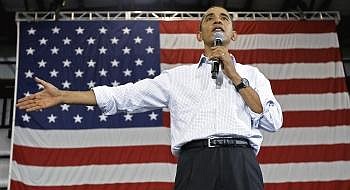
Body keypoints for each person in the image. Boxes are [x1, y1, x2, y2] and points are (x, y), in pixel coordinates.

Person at [17, 6, 283, 190]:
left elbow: (272, 120)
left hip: (241, 161)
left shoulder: (252, 75)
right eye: (209, 17)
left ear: (233, 35)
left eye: (224, 17)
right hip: (195, 163)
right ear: (199, 34)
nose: (217, 20)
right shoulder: (177, 78)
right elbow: (124, 95)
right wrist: (64, 96)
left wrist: (235, 76)